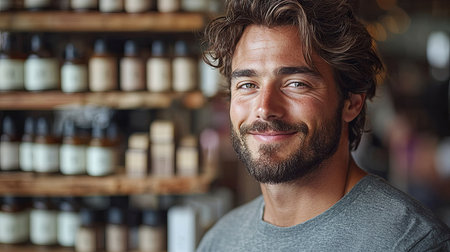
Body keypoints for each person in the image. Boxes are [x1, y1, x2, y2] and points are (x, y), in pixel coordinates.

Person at [197, 0, 450, 251]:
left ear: (352, 102)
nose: (264, 108)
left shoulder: (412, 243)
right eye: (247, 85)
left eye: (296, 84)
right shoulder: (219, 241)